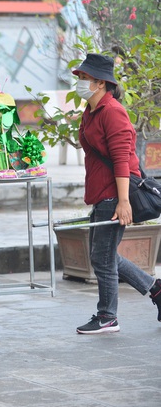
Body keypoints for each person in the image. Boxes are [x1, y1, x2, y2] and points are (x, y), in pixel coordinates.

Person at [74, 53, 161, 334]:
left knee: (102, 257)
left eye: (85, 78)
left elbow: (122, 159)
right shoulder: (91, 111)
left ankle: (107, 316)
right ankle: (155, 289)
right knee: (104, 255)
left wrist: (124, 202)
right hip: (102, 192)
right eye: (81, 77)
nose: (80, 82)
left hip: (115, 193)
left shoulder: (112, 111)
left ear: (101, 83)